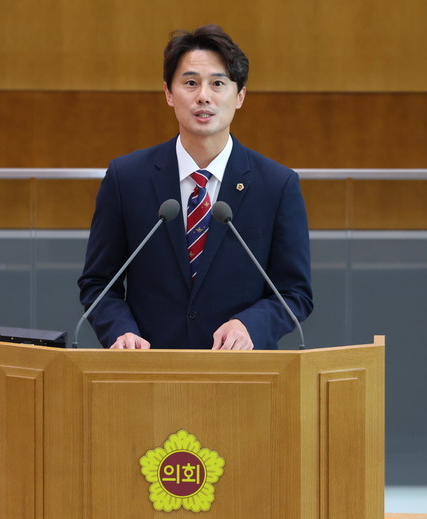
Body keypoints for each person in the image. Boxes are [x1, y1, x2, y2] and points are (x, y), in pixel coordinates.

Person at [78, 25, 312, 350]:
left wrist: (250, 326)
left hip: (240, 371)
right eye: (190, 83)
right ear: (168, 93)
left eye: (218, 83)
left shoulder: (276, 185)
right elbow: (98, 283)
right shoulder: (126, 178)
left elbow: (294, 292)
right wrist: (121, 331)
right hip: (149, 368)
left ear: (240, 96)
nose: (203, 95)